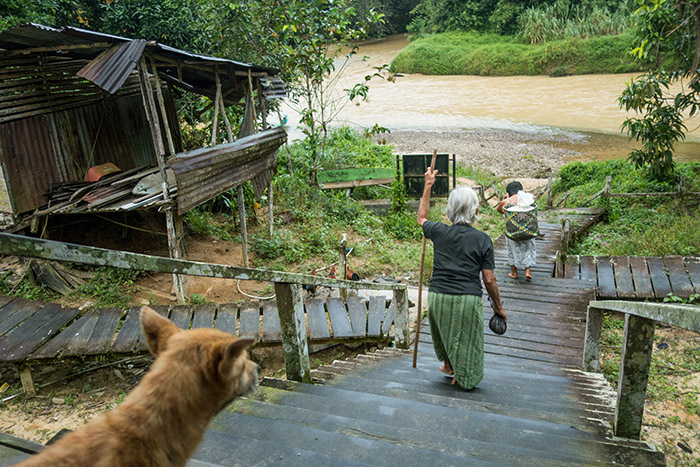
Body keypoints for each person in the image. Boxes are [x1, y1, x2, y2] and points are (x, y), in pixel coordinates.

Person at [417, 167, 507, 390]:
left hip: (437, 295)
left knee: (445, 330)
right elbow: (489, 279)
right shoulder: (483, 239)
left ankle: (449, 365)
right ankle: (463, 375)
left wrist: (428, 185)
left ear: (451, 210)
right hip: (467, 297)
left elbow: (421, 218)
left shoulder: (439, 231)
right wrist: (498, 307)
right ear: (475, 210)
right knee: (467, 339)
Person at [496, 181, 536, 281]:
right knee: (528, 249)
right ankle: (527, 271)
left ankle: (514, 273)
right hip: (527, 229)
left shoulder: (506, 201)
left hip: (512, 231)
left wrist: (504, 199)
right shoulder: (527, 199)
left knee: (512, 250)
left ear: (508, 192)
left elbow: (499, 210)